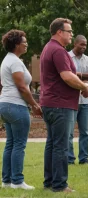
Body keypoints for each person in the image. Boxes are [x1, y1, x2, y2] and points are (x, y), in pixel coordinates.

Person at [40, 18, 88, 192]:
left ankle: (49, 182)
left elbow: (69, 75)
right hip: (60, 104)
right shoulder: (59, 51)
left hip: (51, 103)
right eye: (69, 31)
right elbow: (67, 76)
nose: (71, 35)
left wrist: (81, 86)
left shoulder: (49, 48)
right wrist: (84, 86)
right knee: (61, 145)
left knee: (53, 144)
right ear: (59, 32)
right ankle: (60, 185)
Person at [0, 29, 42, 190]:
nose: (26, 44)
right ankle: (17, 181)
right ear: (17, 44)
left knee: (11, 143)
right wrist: (34, 104)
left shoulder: (8, 60)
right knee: (19, 144)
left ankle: (7, 181)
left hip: (5, 104)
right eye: (24, 42)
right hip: (15, 105)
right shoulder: (15, 62)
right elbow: (22, 87)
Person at [67, 35, 88, 165]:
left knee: (85, 132)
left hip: (84, 100)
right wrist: (81, 78)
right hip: (70, 100)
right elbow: (66, 76)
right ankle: (69, 158)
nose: (83, 47)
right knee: (69, 132)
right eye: (81, 44)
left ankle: (84, 158)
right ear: (75, 44)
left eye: (85, 45)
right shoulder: (67, 57)